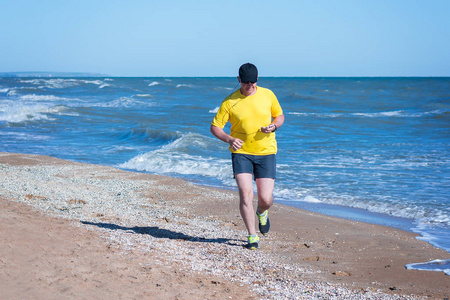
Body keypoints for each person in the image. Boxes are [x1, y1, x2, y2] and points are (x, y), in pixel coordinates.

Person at [210, 63, 285, 250]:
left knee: (266, 199)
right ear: (239, 80)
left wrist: (274, 126)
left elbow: (280, 116)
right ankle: (252, 236)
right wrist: (229, 139)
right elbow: (215, 127)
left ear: (257, 80)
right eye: (245, 83)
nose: (249, 86)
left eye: (252, 82)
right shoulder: (230, 101)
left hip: (266, 152)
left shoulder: (268, 95)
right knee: (246, 194)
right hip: (241, 153)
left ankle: (262, 212)